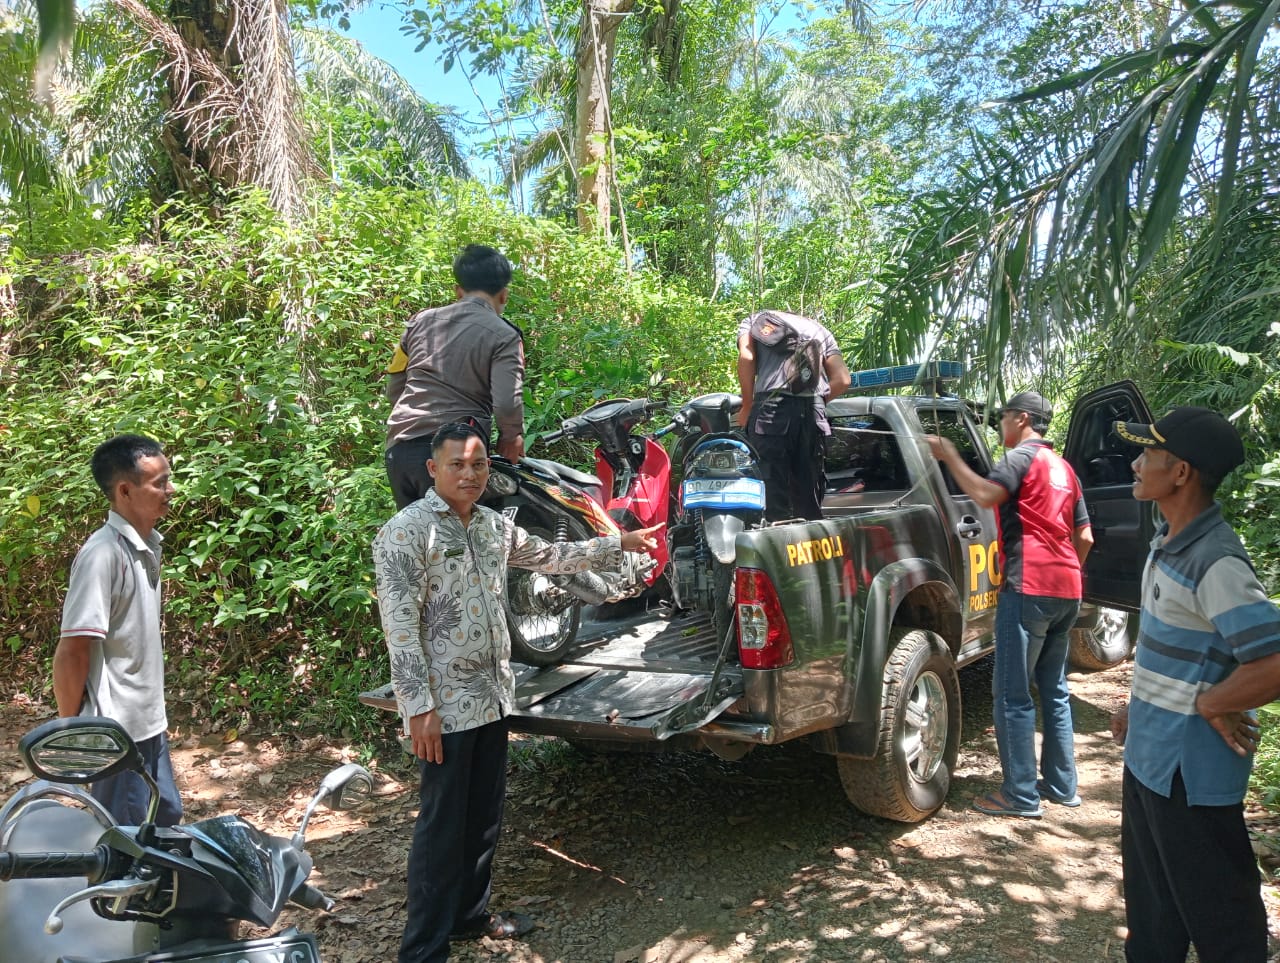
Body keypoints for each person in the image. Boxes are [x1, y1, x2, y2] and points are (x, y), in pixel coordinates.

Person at [373, 422, 662, 963]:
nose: (469, 474)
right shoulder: (406, 533)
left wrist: (615, 544)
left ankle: (469, 917)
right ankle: (423, 949)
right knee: (441, 827)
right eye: (456, 464)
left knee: (483, 815)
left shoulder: (490, 526)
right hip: (444, 705)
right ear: (432, 470)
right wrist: (419, 708)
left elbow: (551, 559)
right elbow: (401, 628)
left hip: (492, 694)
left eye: (478, 464)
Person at [1109, 406, 1280, 962]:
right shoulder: (1167, 541)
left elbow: (1273, 661)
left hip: (1190, 779)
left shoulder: (1216, 561)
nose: (1136, 463)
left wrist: (1211, 702)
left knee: (1223, 923)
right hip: (1149, 761)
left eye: (1147, 453)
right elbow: (1174, 648)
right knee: (1153, 916)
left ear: (1180, 472)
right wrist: (1137, 708)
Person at [926, 390, 1093, 818]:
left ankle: (1020, 795)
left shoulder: (1021, 457)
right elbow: (1086, 537)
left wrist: (948, 455)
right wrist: (1065, 571)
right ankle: (1061, 785)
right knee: (1053, 690)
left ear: (1021, 419)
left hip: (1028, 586)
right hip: (1068, 588)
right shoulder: (1065, 469)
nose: (1000, 426)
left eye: (1003, 418)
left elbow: (984, 495)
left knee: (1012, 695)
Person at [53, 434, 183, 826]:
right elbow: (74, 649)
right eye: (159, 482)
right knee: (128, 849)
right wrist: (71, 729)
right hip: (118, 730)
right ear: (125, 490)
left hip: (147, 723)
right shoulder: (103, 554)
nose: (170, 489)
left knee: (164, 825)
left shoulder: (145, 546)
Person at [385, 244, 526, 510]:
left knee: (415, 544)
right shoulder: (504, 335)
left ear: (458, 291)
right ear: (504, 295)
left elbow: (395, 388)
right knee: (465, 546)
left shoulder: (418, 323)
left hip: (400, 451)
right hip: (457, 455)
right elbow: (507, 403)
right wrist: (512, 437)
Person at [735, 310, 851, 522]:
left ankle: (777, 544)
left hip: (771, 411)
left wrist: (747, 405)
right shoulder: (820, 329)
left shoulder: (754, 320)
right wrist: (819, 404)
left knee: (772, 492)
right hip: (813, 413)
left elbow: (747, 356)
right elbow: (843, 379)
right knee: (808, 491)